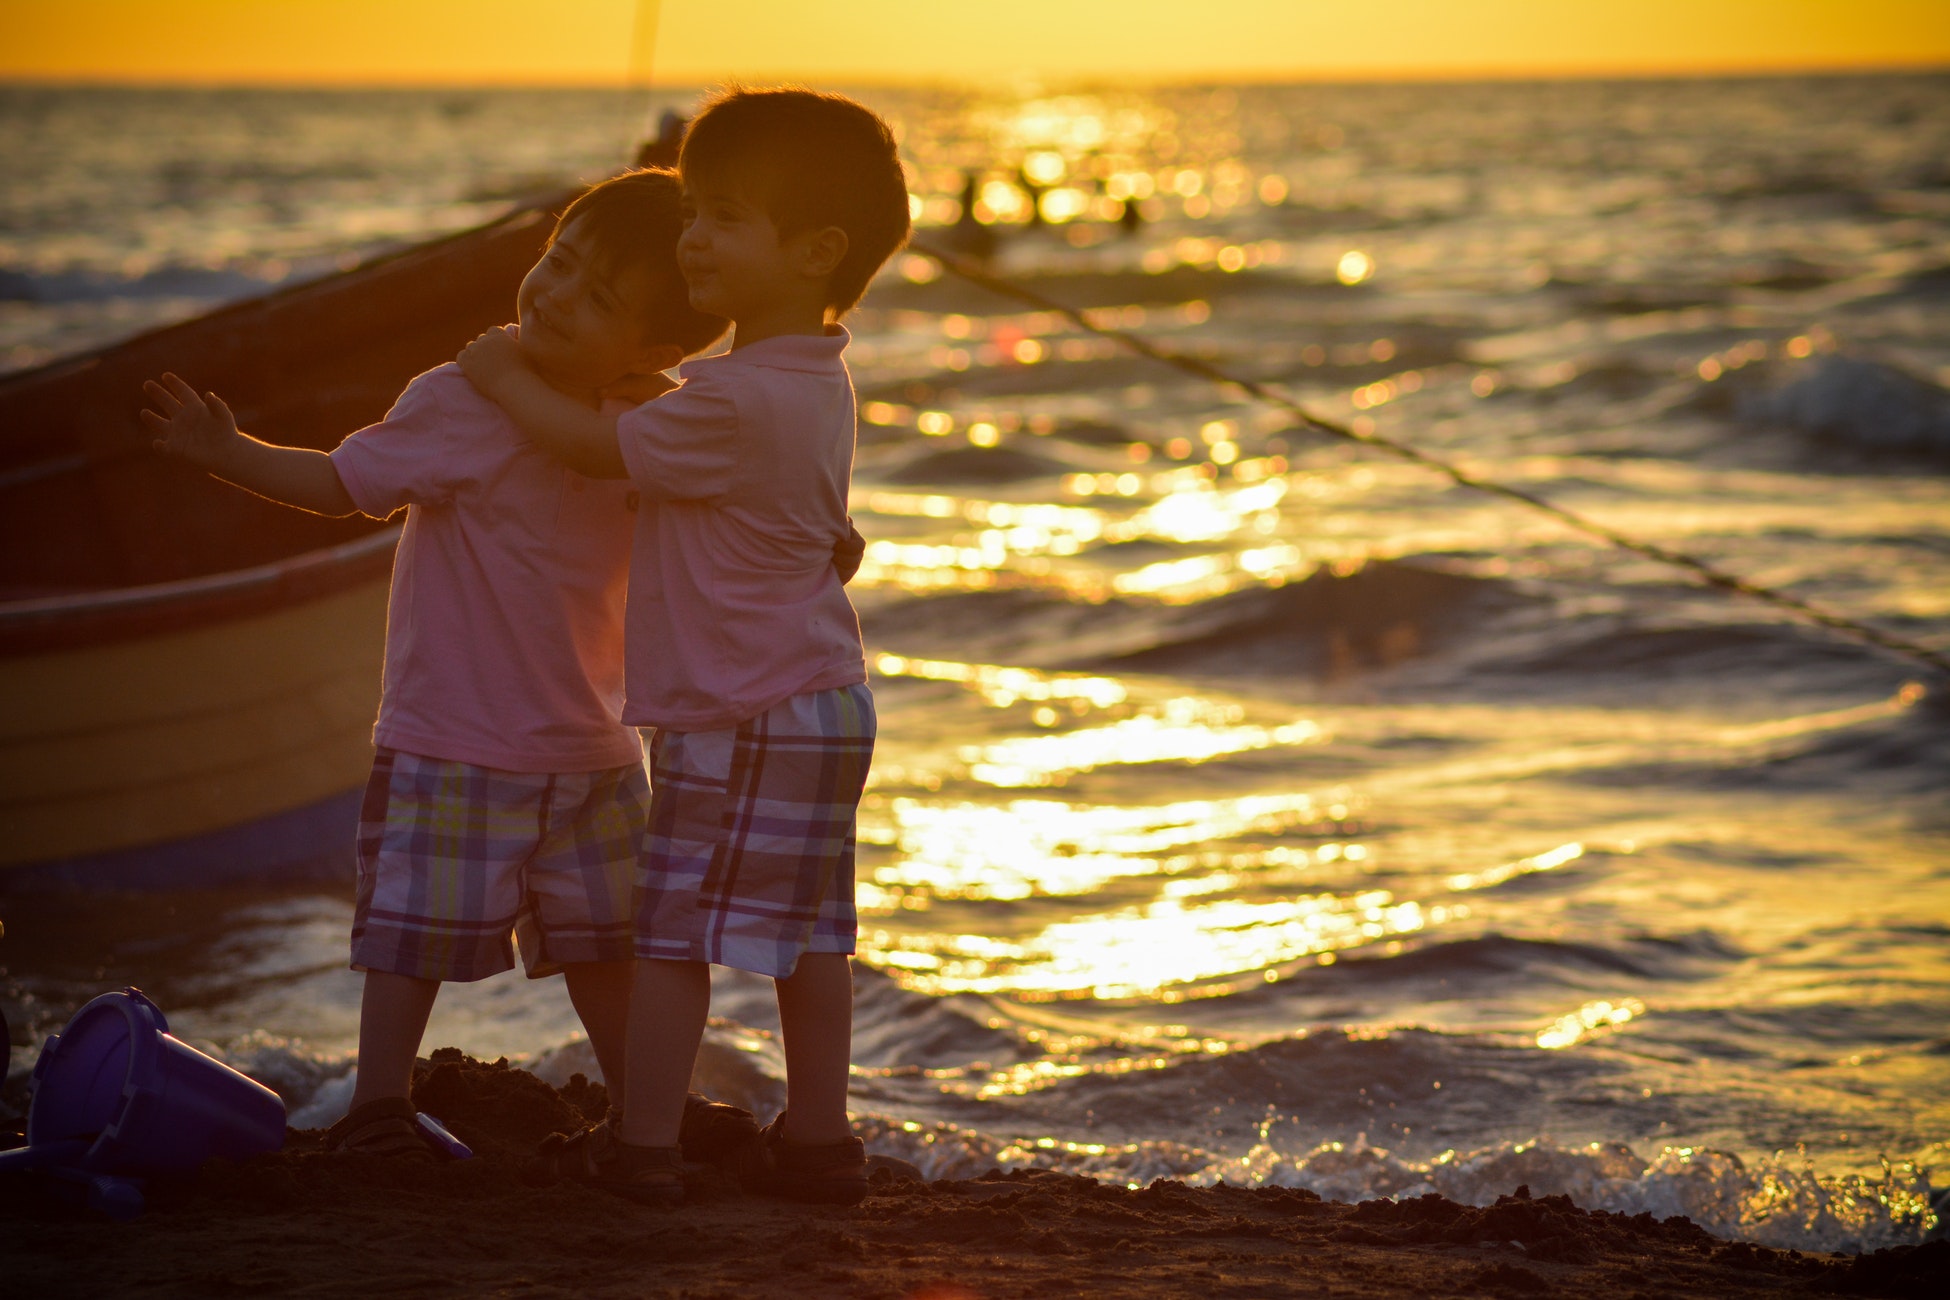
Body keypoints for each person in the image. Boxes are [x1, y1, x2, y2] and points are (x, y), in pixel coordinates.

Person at [142, 169, 734, 1160]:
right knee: (409, 936)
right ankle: (379, 1102)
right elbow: (341, 481)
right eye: (558, 261)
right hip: (455, 735)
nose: (552, 294)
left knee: (609, 943)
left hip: (594, 746)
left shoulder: (646, 428)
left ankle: (644, 1108)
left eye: (594, 297)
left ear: (653, 351)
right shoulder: (457, 398)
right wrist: (229, 450)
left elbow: (724, 517)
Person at [457, 85, 911, 1205]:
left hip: (737, 711)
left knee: (672, 936)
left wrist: (500, 373)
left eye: (723, 218)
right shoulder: (812, 377)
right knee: (811, 934)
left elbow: (589, 443)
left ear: (815, 251)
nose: (692, 237)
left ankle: (643, 1144)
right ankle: (818, 1140)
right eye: (694, 211)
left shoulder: (722, 406)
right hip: (819, 697)